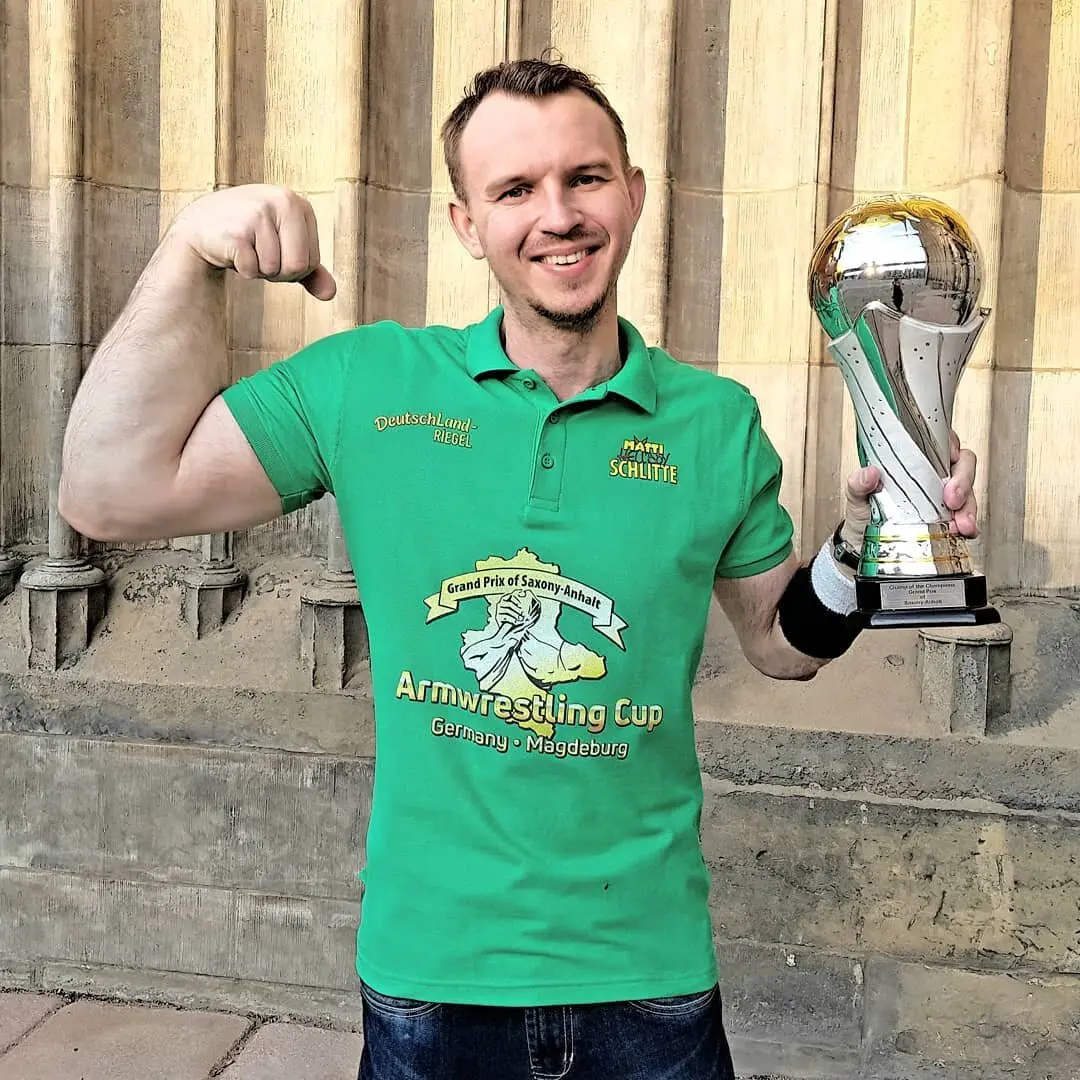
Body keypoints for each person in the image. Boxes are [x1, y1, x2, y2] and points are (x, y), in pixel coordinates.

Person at [58, 59, 979, 1080]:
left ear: (633, 194)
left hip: (649, 980)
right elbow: (105, 492)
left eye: (585, 178)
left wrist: (863, 548)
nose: (558, 215)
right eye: (514, 190)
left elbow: (781, 645)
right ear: (467, 223)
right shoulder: (368, 385)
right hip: (432, 981)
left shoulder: (716, 425)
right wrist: (189, 252)